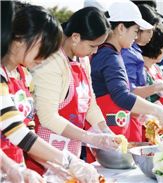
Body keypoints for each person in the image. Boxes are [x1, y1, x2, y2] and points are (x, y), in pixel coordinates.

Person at [1, 4, 101, 182]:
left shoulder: (25, 77)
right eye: (43, 46)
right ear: (19, 39)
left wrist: (53, 166)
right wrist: (67, 160)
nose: (45, 56)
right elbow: (17, 132)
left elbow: (28, 132)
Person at [27, 7, 123, 173]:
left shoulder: (82, 60)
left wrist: (105, 130)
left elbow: (90, 103)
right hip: (45, 155)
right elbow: (48, 117)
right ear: (75, 37)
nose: (95, 51)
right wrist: (91, 138)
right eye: (93, 46)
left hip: (72, 151)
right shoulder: (51, 61)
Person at [91, 1, 163, 142]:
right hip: (106, 136)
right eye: (135, 30)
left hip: (112, 132)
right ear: (121, 28)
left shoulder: (111, 54)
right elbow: (122, 96)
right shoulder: (110, 57)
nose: (136, 36)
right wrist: (157, 110)